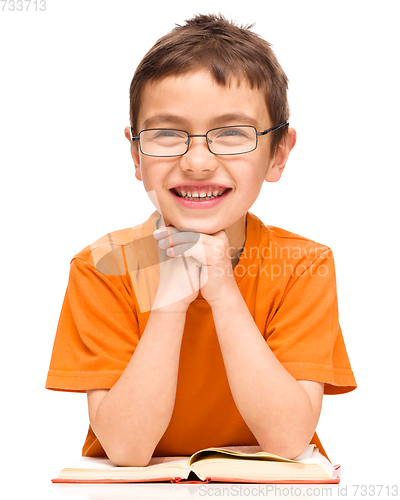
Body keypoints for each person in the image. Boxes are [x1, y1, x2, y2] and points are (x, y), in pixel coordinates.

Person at [46, 13, 356, 467]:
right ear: (135, 155)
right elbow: (127, 450)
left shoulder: (303, 265)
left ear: (279, 153)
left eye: (232, 133)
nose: (196, 161)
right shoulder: (101, 267)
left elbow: (288, 441)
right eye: (167, 133)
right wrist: (169, 299)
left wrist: (224, 292)